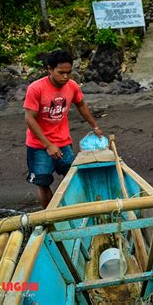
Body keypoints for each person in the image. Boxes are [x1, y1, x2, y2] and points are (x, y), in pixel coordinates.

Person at [24, 50, 103, 208]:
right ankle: (50, 218)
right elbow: (29, 118)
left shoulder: (72, 86)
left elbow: (81, 104)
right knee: (43, 182)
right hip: (39, 146)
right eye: (61, 73)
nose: (65, 77)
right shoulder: (36, 89)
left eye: (69, 73)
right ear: (50, 70)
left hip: (63, 142)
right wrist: (48, 145)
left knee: (73, 176)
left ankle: (73, 209)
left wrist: (95, 126)